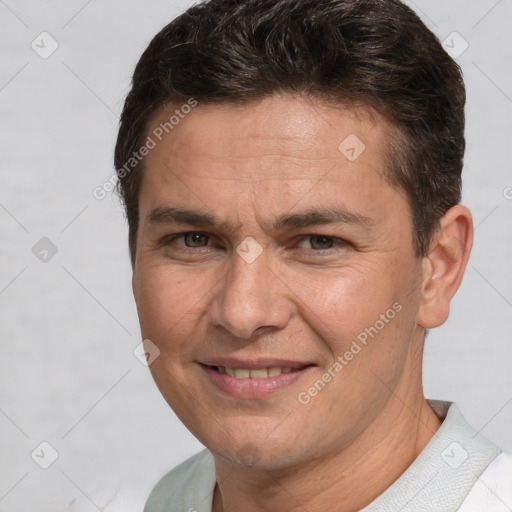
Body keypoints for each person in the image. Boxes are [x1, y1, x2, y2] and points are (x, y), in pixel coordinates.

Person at [114, 0, 512, 510]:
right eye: (194, 240)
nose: (243, 313)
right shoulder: (172, 499)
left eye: (319, 242)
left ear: (438, 267)